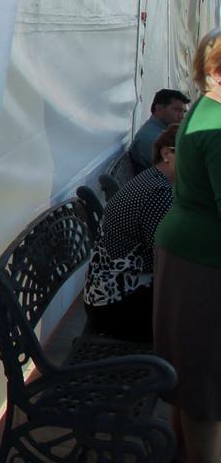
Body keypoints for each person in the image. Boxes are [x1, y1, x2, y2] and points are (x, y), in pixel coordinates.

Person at [154, 31, 221, 463]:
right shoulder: (216, 124)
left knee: (187, 381)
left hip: (185, 255)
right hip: (201, 264)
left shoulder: (202, 108)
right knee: (204, 392)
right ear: (217, 71)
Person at [83, 124, 177, 342]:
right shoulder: (159, 193)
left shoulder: (154, 180)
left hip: (108, 294)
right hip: (118, 305)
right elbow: (165, 261)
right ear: (167, 153)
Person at [129, 89, 189, 170]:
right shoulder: (151, 138)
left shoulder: (160, 132)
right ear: (159, 109)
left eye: (183, 111)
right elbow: (176, 171)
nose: (182, 116)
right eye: (177, 110)